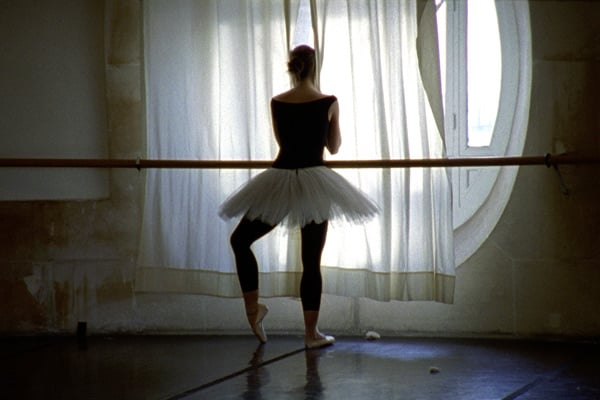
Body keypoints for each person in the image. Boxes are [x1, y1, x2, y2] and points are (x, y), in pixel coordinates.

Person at [219, 45, 377, 349]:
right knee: (311, 261)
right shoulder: (329, 102)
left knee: (240, 240)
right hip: (315, 181)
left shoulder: (277, 102)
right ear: (315, 67)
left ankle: (253, 310)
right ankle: (310, 334)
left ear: (292, 68)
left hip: (279, 179)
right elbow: (334, 147)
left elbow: (283, 143)